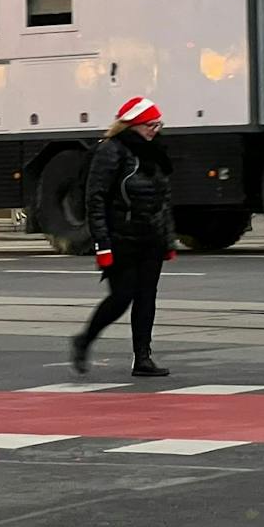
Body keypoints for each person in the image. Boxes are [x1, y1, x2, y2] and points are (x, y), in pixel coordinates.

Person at [70, 97, 178, 378]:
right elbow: (95, 199)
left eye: (158, 124)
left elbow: (162, 200)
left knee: (147, 298)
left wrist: (167, 239)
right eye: (151, 124)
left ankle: (143, 357)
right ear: (134, 125)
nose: (156, 129)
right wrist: (102, 244)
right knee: (122, 296)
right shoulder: (111, 151)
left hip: (150, 238)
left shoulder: (155, 152)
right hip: (121, 238)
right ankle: (84, 339)